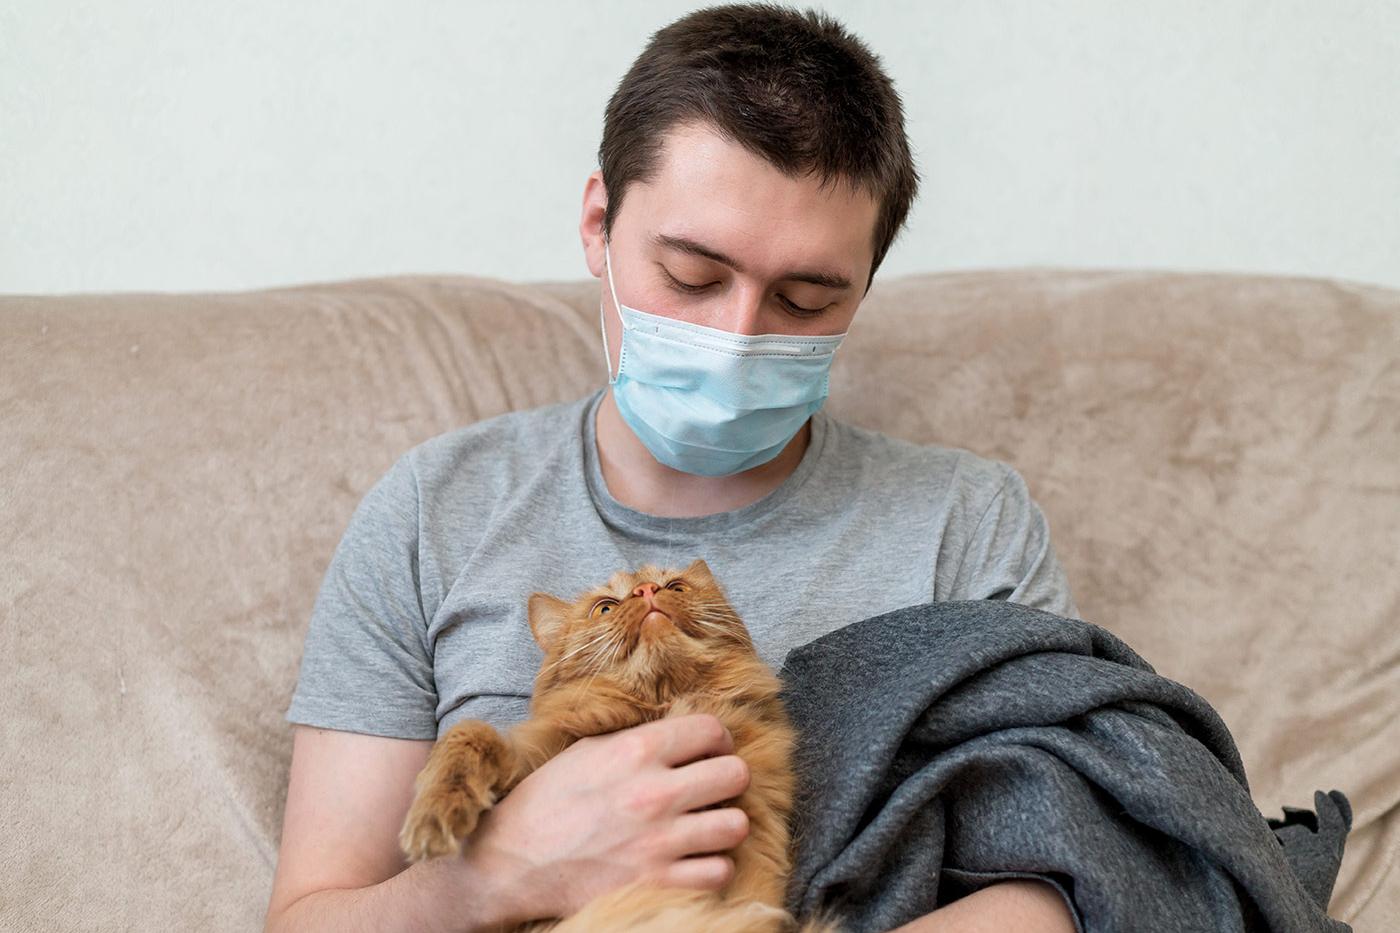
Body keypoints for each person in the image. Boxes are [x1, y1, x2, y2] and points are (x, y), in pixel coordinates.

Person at [263, 5, 1080, 932]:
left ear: (862, 288)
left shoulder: (966, 523)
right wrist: (499, 875)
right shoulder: (436, 512)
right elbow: (308, 917)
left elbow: (1061, 881)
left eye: (805, 300)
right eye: (692, 276)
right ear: (599, 224)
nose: (736, 339)